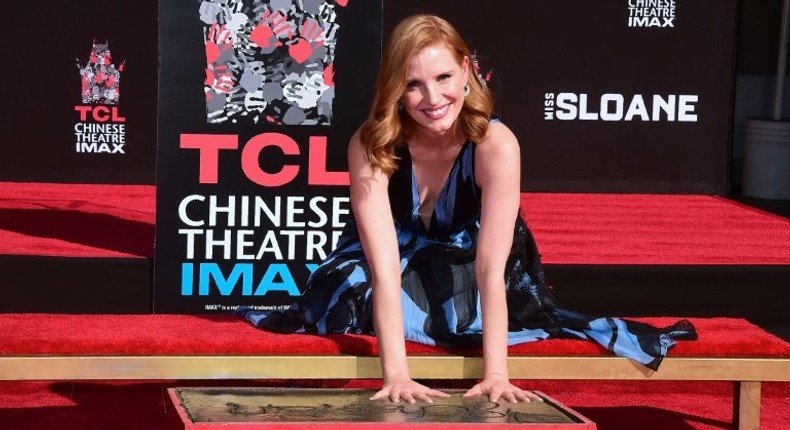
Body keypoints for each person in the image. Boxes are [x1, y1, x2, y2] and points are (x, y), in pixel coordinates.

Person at [237, 14, 696, 405]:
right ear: (395, 90)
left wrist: (497, 374)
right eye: (413, 85)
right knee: (350, 294)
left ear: (465, 70)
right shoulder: (371, 143)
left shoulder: (495, 144)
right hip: (394, 260)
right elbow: (384, 269)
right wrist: (395, 374)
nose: (433, 100)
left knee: (460, 304)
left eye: (442, 79)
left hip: (471, 261)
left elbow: (490, 269)